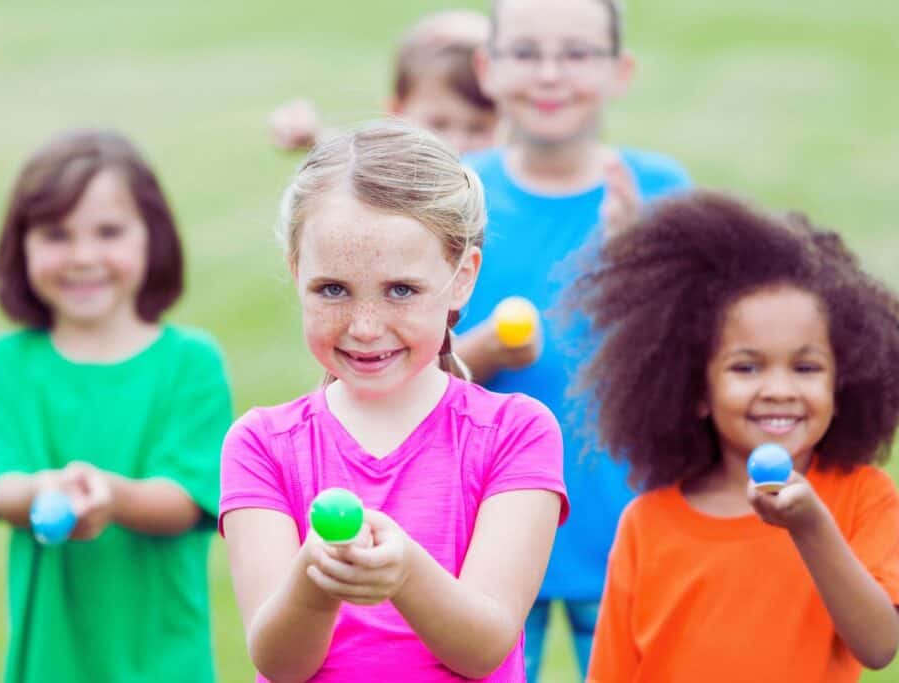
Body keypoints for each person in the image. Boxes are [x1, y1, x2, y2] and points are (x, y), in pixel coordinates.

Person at [220, 121, 568, 682]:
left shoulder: (515, 432)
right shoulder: (261, 444)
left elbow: (483, 647)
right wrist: (315, 574)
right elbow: (280, 664)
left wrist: (405, 573)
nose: (364, 327)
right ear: (296, 272)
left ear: (461, 279)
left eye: (400, 290)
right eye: (332, 289)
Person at [454, 0, 690, 678]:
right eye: (526, 52)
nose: (551, 74)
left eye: (578, 53)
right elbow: (408, 367)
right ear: (487, 68)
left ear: (621, 71)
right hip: (483, 540)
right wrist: (484, 351)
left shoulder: (662, 195)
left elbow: (699, 370)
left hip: (628, 532)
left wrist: (635, 264)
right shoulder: (454, 198)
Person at [575, 191, 899, 682]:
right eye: (746, 367)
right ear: (697, 388)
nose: (778, 390)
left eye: (806, 367)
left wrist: (810, 525)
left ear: (841, 381)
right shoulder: (647, 523)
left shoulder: (864, 497)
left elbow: (879, 645)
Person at [0, 129, 233, 683]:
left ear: (152, 238)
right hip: (52, 660)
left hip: (162, 657)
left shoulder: (190, 364)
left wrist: (111, 496)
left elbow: (186, 499)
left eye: (108, 232)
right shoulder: (7, 365)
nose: (83, 257)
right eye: (56, 234)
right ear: (22, 246)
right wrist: (42, 492)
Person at [269, 9, 498, 156]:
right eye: (438, 125)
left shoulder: (507, 171)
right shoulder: (400, 165)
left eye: (478, 128)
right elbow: (353, 155)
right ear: (396, 112)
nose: (456, 146)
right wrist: (312, 137)